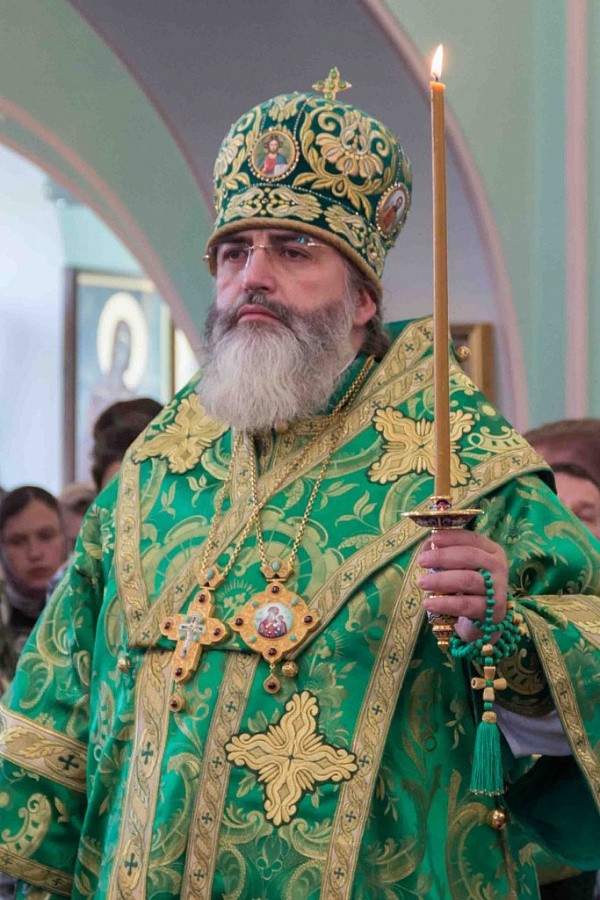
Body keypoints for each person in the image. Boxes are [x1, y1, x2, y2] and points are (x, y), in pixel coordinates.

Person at [0, 76, 599, 900]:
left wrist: (508, 634)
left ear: (363, 298)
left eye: (292, 250)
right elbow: (59, 713)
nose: (255, 276)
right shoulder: (154, 472)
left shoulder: (465, 469)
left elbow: (582, 661)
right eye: (235, 252)